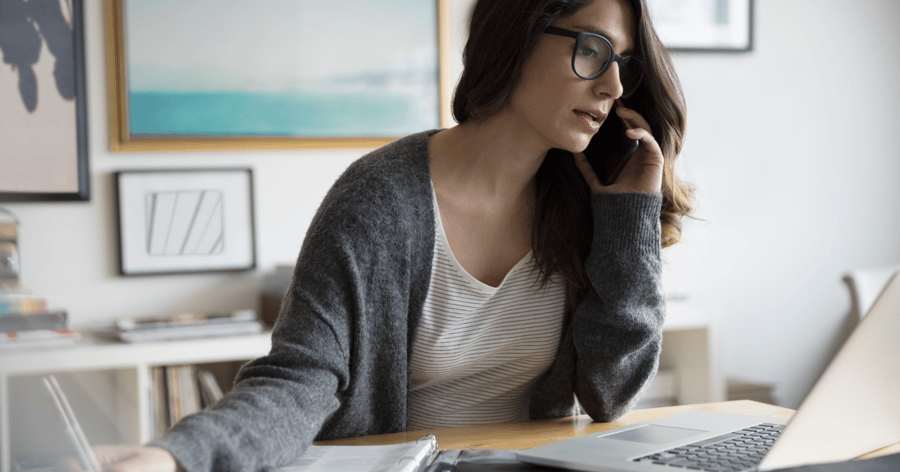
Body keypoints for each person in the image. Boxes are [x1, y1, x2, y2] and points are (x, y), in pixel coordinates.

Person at [72, 0, 691, 470]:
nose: (612, 86)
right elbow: (300, 379)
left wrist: (629, 217)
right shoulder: (380, 199)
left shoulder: (582, 207)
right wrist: (175, 458)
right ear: (518, 33)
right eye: (592, 49)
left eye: (623, 64)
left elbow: (611, 394)